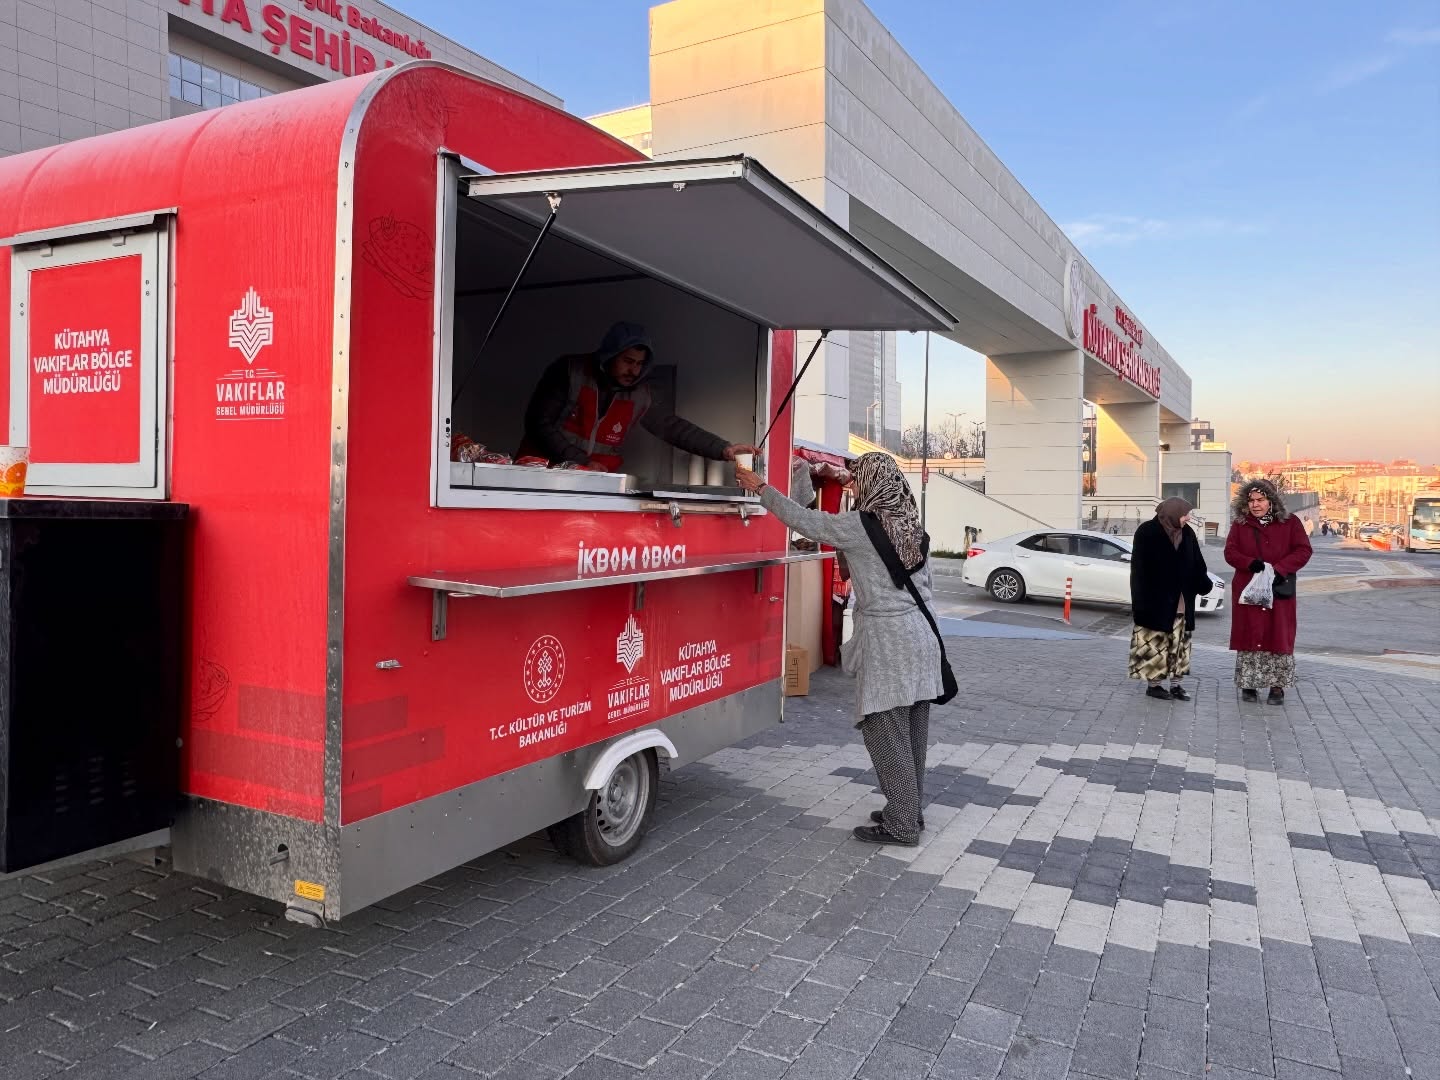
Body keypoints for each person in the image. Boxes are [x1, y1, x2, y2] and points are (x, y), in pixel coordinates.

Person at [735, 453, 944, 847]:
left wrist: (760, 489)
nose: (852, 487)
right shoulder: (912, 526)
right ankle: (909, 808)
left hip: (891, 641)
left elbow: (806, 521)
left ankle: (901, 825)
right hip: (924, 636)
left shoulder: (861, 526)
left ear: (872, 482)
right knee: (912, 729)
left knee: (883, 728)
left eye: (857, 479)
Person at [518, 322, 757, 472]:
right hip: (542, 476)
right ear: (609, 356)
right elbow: (538, 424)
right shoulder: (570, 370)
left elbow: (672, 427)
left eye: (640, 364)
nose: (634, 370)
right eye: (628, 361)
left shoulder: (639, 394)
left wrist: (723, 449)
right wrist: (580, 461)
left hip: (594, 486)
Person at [1224, 479, 1312, 704]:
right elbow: (1230, 552)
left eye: (1260, 500)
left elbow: (1303, 550)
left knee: (1278, 635)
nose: (1255, 505)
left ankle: (1276, 687)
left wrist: (1280, 569)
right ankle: (1249, 684)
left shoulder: (1290, 523)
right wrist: (1249, 563)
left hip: (1279, 588)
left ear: (1271, 501)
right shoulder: (1240, 525)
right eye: (1251, 500)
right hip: (1248, 589)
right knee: (1250, 635)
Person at [1128, 498, 1214, 702]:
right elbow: (1138, 571)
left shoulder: (1187, 533)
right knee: (1155, 643)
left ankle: (1176, 685)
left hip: (1182, 599)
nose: (1188, 518)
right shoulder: (1147, 532)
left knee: (1180, 643)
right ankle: (1154, 686)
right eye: (1185, 514)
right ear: (1173, 513)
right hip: (1154, 601)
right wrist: (1140, 603)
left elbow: (1197, 563)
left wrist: (1204, 584)